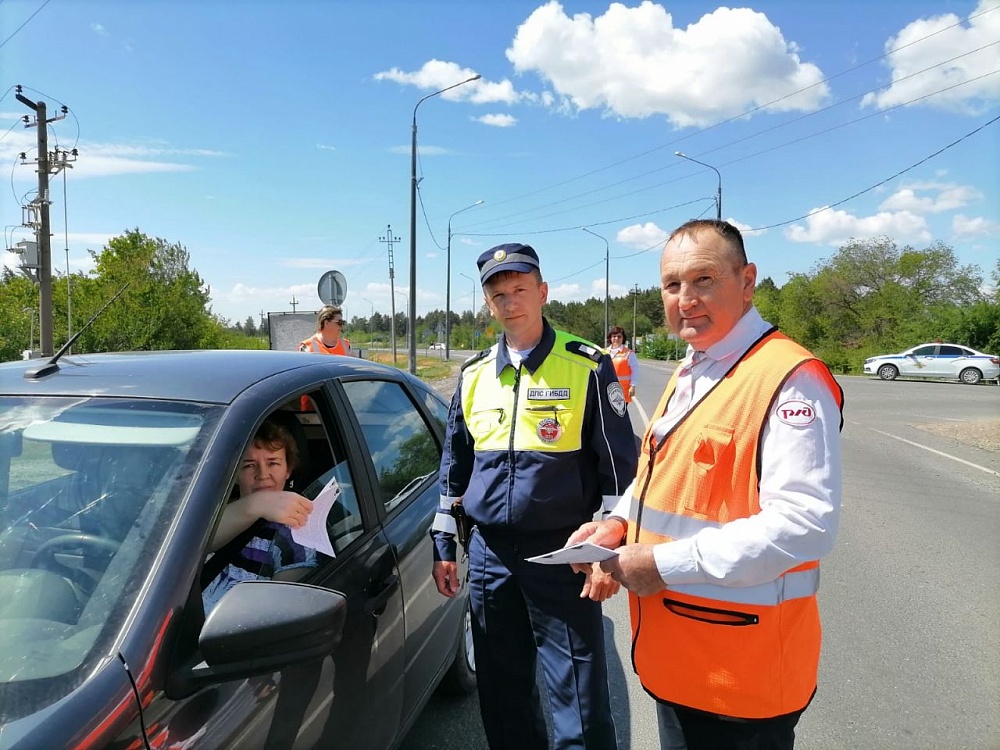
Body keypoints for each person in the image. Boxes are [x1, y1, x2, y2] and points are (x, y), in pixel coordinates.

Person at [569, 219, 843, 750]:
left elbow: (806, 526)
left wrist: (658, 565)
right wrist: (617, 525)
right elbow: (658, 479)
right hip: (683, 664)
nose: (686, 299)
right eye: (673, 285)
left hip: (742, 681)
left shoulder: (789, 377)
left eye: (704, 280)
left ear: (747, 282)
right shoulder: (694, 368)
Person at [431, 243, 638, 750]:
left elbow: (619, 467)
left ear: (542, 292)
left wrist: (608, 551)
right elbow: (455, 465)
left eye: (520, 289)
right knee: (502, 692)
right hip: (488, 554)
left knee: (578, 695)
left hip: (562, 551)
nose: (510, 302)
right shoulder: (475, 373)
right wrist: (445, 545)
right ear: (487, 303)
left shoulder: (587, 364)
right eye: (498, 293)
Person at [202, 419, 316, 613]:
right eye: (248, 465)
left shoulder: (297, 531)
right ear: (235, 473)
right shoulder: (210, 511)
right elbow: (194, 544)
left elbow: (280, 615)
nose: (262, 474)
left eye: (273, 463)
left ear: (288, 470)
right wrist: (256, 505)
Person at [606, 325, 639, 407]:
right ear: (610, 338)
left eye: (619, 336)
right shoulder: (604, 352)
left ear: (623, 338)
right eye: (614, 336)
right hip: (607, 389)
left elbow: (635, 371)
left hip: (622, 391)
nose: (616, 338)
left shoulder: (629, 353)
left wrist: (633, 386)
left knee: (620, 415)